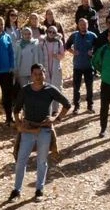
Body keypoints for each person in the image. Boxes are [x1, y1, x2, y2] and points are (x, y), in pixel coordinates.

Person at [10, 64, 71, 201]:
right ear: (31, 75)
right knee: (21, 160)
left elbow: (67, 104)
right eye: (35, 74)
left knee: (41, 160)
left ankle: (39, 189)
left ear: (44, 74)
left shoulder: (50, 89)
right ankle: (16, 190)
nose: (38, 77)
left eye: (40, 74)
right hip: (28, 129)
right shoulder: (25, 90)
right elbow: (16, 108)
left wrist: (57, 118)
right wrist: (18, 123)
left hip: (44, 130)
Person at [64, 17, 98, 113]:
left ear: (87, 25)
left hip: (89, 66)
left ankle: (90, 106)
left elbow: (98, 47)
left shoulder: (92, 35)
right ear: (78, 26)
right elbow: (67, 45)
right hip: (77, 66)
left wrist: (93, 52)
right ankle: (76, 107)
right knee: (76, 87)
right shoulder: (74, 35)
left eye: (85, 24)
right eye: (81, 24)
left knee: (89, 87)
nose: (83, 26)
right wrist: (72, 51)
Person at [39, 25, 67, 90]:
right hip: (45, 66)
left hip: (55, 67)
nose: (51, 33)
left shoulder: (59, 42)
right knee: (45, 85)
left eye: (54, 32)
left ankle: (56, 99)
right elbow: (39, 54)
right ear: (47, 32)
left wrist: (57, 56)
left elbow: (62, 56)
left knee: (56, 85)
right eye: (50, 31)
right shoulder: (42, 42)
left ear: (56, 33)